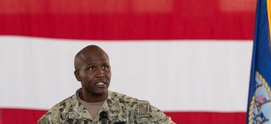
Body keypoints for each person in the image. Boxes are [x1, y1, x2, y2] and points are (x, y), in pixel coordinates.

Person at [38, 44, 176, 124]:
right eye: (92, 68)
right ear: (77, 75)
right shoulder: (56, 117)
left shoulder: (134, 109)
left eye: (105, 67)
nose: (100, 74)